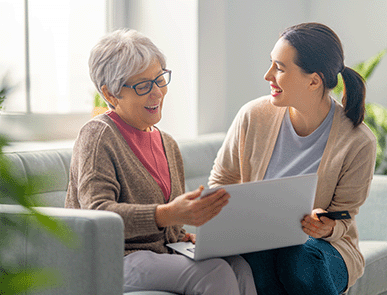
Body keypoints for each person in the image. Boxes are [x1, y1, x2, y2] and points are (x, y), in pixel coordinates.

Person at [65, 28, 256, 295]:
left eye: (159, 79)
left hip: (158, 253)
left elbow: (170, 226)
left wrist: (182, 237)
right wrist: (166, 215)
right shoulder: (97, 135)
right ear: (110, 94)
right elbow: (98, 214)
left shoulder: (167, 143)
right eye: (143, 86)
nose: (156, 93)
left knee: (238, 265)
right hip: (112, 258)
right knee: (214, 272)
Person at [208, 22, 377, 295]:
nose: (267, 76)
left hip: (324, 249)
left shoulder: (358, 142)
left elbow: (344, 216)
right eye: (271, 64)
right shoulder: (253, 116)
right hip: (259, 242)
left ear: (313, 80)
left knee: (295, 257)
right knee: (261, 257)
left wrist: (325, 226)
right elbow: (221, 182)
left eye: (280, 68)